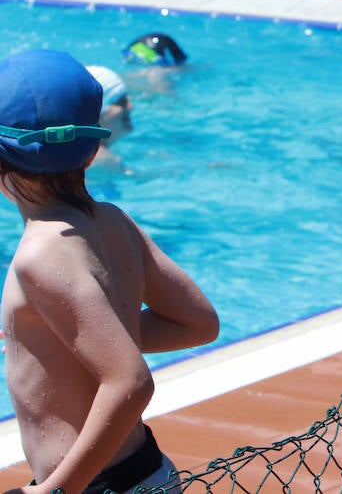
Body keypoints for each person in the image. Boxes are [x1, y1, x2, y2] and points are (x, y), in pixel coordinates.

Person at [0, 49, 219, 494]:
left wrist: (54, 491)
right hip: (148, 472)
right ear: (92, 147)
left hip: (92, 486)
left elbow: (130, 382)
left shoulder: (42, 251)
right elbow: (197, 323)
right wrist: (85, 336)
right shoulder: (114, 222)